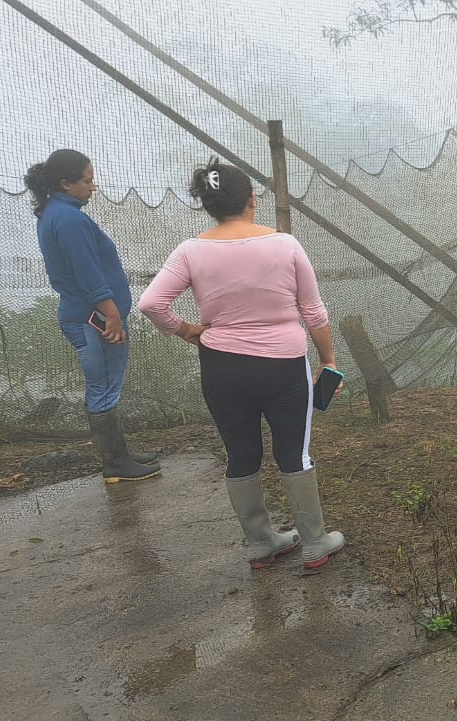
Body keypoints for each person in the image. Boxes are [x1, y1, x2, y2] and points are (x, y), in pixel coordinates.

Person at [137, 160, 344, 570]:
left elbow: (151, 303)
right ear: (252, 199)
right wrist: (328, 359)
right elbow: (314, 312)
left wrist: (186, 330)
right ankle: (315, 542)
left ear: (208, 205)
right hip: (283, 367)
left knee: (241, 452)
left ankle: (260, 543)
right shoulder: (285, 244)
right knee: (294, 453)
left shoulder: (190, 250)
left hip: (222, 368)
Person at [27, 149, 161, 483]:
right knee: (104, 387)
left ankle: (119, 456)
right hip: (93, 318)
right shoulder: (69, 219)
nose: (93, 187)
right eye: (87, 181)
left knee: (104, 386)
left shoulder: (56, 213)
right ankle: (115, 465)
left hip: (86, 315)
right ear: (65, 183)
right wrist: (111, 313)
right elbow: (86, 270)